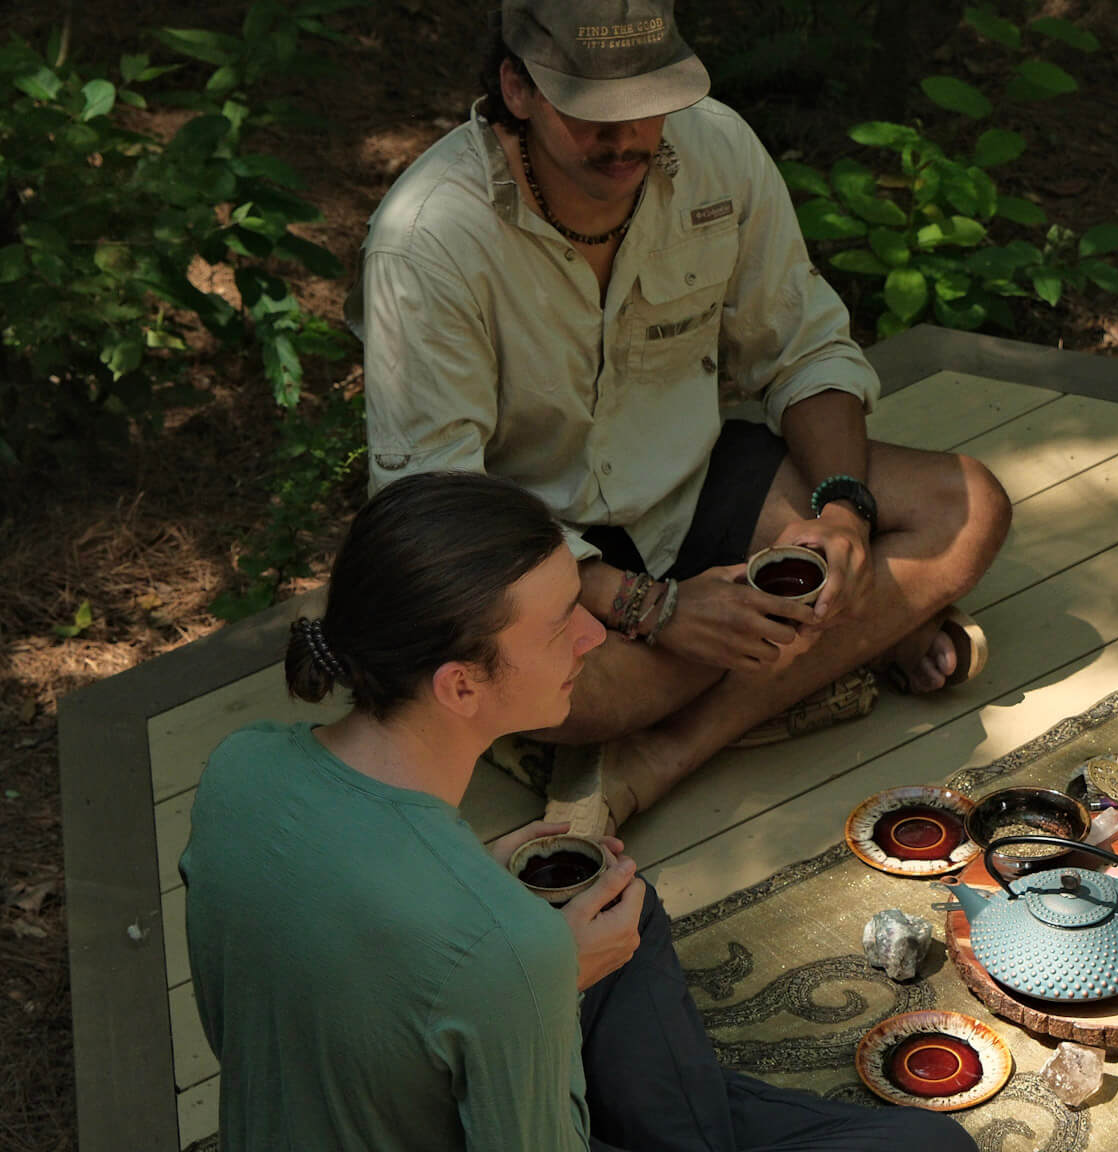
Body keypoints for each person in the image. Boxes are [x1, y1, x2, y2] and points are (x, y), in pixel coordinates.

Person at [347, 0, 1012, 831]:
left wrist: (845, 509)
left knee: (968, 505)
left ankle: (661, 756)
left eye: (648, 103)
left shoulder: (717, 147)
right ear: (516, 87)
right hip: (535, 547)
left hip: (693, 486)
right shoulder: (428, 238)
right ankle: (854, 633)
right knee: (570, 694)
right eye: (592, 112)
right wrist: (651, 611)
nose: (626, 137)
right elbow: (436, 508)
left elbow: (802, 346)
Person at [181, 471, 976, 1152]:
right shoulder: (505, 955)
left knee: (619, 907)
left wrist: (489, 903)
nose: (596, 635)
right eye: (566, 621)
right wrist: (544, 987)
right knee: (932, 1145)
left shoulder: (240, 766)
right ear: (461, 685)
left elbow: (286, 990)